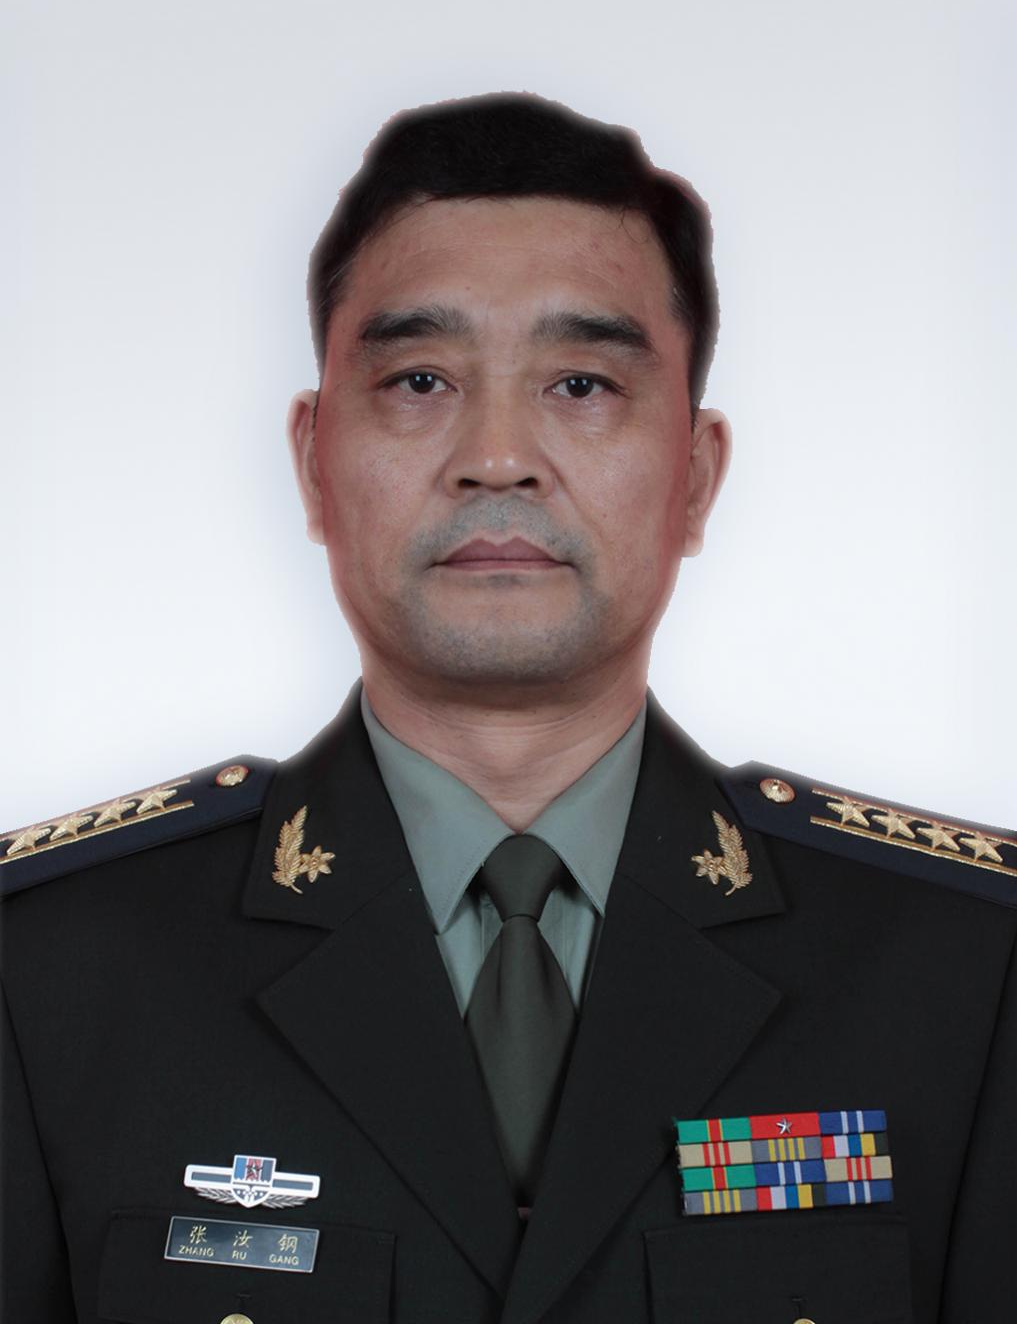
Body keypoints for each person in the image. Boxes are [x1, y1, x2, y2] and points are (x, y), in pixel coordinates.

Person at [2, 93, 1014, 1324]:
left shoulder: (960, 966)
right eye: (420, 378)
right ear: (314, 462)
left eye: (581, 383)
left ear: (695, 477)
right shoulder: (51, 968)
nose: (496, 455)